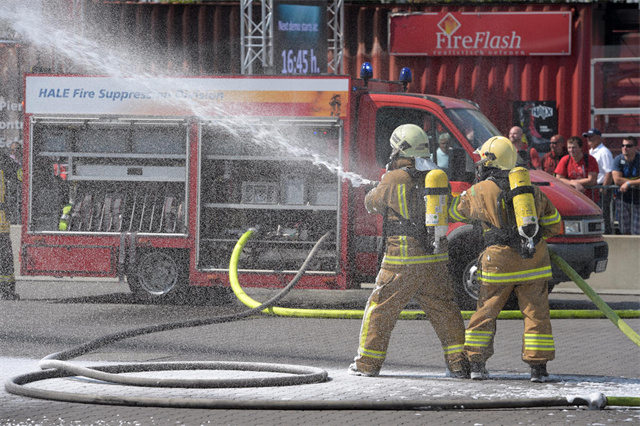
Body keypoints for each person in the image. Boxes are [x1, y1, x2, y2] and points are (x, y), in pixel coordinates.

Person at [348, 124, 468, 379]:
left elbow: (372, 203)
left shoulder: (393, 178)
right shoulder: (437, 176)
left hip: (401, 261)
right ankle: (458, 364)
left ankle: (367, 364)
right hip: (435, 258)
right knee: (445, 310)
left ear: (399, 149)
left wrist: (375, 188)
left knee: (380, 309)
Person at [449, 136, 562, 382]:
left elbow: (455, 211)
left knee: (486, 311)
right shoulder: (531, 190)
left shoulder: (480, 190)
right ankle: (538, 369)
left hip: (499, 262)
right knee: (536, 314)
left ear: (490, 161)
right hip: (533, 260)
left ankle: (476, 364)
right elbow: (555, 224)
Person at [584, 128, 614, 233]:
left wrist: (604, 188)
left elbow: (609, 172)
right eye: (588, 137)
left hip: (601, 186)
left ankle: (606, 232)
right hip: (594, 187)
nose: (589, 139)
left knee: (603, 212)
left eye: (591, 137)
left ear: (599, 138)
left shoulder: (604, 152)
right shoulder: (590, 151)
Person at [0, 148, 21, 300]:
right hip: (1, 219)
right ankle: (6, 291)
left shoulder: (3, 160)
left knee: (4, 255)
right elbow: (20, 175)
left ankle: (7, 290)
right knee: (4, 256)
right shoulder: (3, 160)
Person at [554, 136, 599, 201]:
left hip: (590, 199)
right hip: (571, 198)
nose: (571, 150)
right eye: (569, 147)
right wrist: (573, 183)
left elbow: (592, 180)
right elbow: (558, 178)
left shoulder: (590, 160)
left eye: (574, 147)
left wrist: (574, 182)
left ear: (581, 148)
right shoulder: (565, 160)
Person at [612, 136, 640, 235]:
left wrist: (629, 183)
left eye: (628, 146)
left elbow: (621, 180)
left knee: (637, 231)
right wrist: (636, 182)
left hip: (638, 200)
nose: (625, 148)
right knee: (625, 231)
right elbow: (617, 180)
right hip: (622, 199)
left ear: (635, 147)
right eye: (623, 145)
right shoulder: (618, 159)